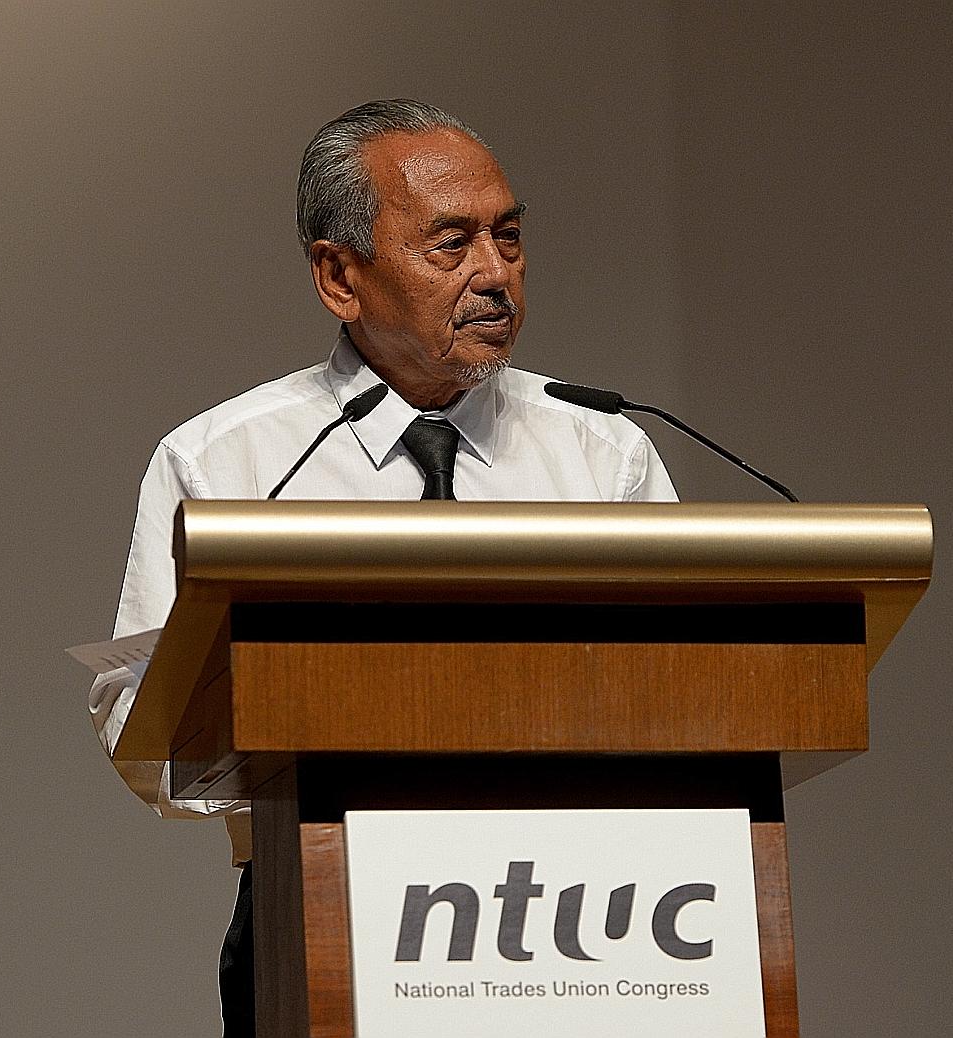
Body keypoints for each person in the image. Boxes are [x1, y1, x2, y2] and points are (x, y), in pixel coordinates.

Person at [87, 99, 677, 1036]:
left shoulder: (603, 452)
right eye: (452, 243)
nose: (496, 273)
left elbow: (694, 681)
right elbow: (144, 730)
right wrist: (324, 719)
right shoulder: (228, 463)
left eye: (510, 236)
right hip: (323, 901)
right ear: (338, 275)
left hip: (588, 916)